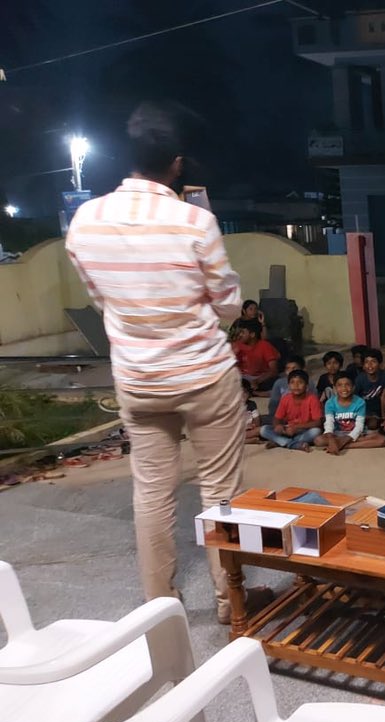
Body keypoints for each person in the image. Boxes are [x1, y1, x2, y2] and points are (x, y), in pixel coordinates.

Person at [65, 100, 267, 623]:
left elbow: (99, 297)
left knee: (151, 493)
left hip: (138, 377)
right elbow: (226, 304)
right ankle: (231, 601)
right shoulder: (194, 222)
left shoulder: (86, 221)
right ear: (177, 162)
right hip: (203, 374)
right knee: (221, 491)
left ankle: (161, 609)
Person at [315, 372, 385, 454]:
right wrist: (332, 440)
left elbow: (359, 427)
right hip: (337, 434)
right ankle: (339, 444)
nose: (344, 388)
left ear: (353, 387)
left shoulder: (360, 402)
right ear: (334, 388)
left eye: (347, 385)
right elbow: (329, 423)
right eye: (339, 385)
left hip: (356, 433)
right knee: (318, 440)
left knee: (382, 440)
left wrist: (342, 442)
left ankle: (345, 446)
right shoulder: (330, 403)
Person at [259, 369, 323, 451]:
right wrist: (277, 426)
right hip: (287, 430)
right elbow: (277, 418)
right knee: (264, 429)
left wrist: (296, 427)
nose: (296, 385)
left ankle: (280, 442)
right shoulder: (286, 398)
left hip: (304, 429)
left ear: (306, 386)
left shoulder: (312, 399)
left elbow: (317, 422)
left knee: (316, 431)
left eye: (300, 382)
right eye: (292, 382)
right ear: (288, 386)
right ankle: (293, 444)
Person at [233, 319, 280, 392]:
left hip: (261, 378)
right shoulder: (237, 345)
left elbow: (273, 370)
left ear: (252, 334)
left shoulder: (264, 345)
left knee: (276, 381)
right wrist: (233, 355)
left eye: (243, 332)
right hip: (243, 378)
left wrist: (257, 381)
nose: (240, 335)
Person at [355, 348, 385, 431]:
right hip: (364, 409)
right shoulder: (360, 379)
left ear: (380, 364)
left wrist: (383, 417)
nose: (370, 365)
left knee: (374, 424)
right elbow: (355, 398)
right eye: (366, 362)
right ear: (363, 366)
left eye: (373, 361)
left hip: (377, 409)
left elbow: (384, 397)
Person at [242, 378, 260, 444]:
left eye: (245, 392)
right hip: (237, 431)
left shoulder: (251, 404)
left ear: (249, 394)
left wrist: (254, 425)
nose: (242, 395)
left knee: (261, 430)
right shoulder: (232, 406)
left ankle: (245, 440)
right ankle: (248, 441)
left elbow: (256, 418)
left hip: (250, 429)